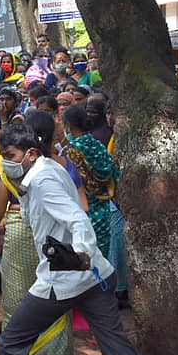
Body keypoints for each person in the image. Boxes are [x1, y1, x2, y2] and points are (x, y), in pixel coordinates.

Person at [0, 123, 170, 355]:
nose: (6, 162)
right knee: (120, 353)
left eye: (11, 156)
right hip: (97, 277)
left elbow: (77, 218)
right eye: (3, 156)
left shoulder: (42, 180)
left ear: (31, 153)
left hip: (66, 279)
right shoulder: (49, 168)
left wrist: (83, 253)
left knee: (13, 342)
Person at [0, 111, 82, 355]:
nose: (7, 158)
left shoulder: (13, 172)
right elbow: (80, 206)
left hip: (23, 237)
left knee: (17, 303)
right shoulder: (62, 167)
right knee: (56, 306)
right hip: (59, 241)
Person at [61, 105, 120, 257]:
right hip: (105, 209)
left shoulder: (70, 152)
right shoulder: (98, 145)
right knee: (104, 258)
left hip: (84, 211)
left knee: (87, 258)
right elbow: (113, 172)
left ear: (68, 126)